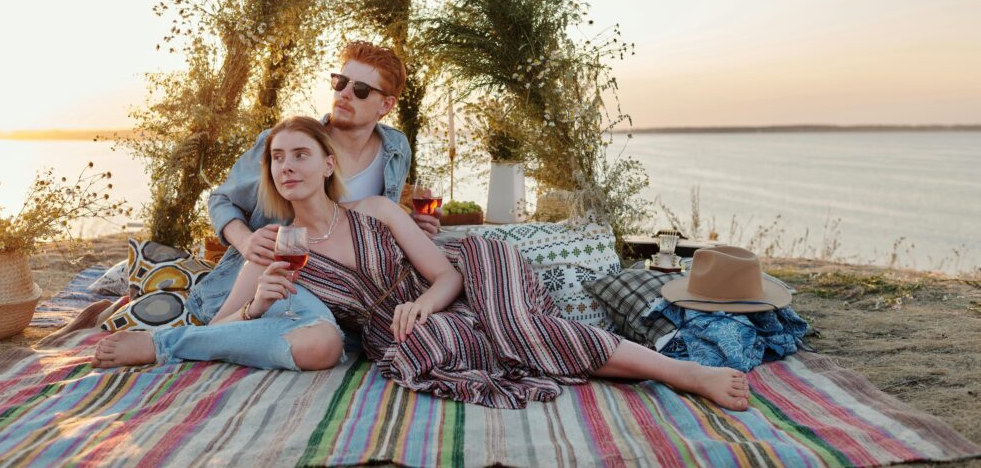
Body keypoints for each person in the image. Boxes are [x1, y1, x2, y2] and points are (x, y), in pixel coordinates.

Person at [95, 117, 750, 412]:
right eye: (276, 158)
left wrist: (424, 301)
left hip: (468, 274)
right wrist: (262, 302)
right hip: (404, 326)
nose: (286, 165)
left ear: (328, 164)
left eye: (300, 153)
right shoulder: (275, 242)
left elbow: (447, 274)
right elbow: (236, 321)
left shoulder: (377, 209)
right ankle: (169, 345)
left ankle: (682, 371)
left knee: (514, 330)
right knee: (426, 347)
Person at [185, 41, 439, 327]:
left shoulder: (395, 149)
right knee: (317, 336)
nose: (343, 94)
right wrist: (246, 241)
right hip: (279, 279)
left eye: (360, 90)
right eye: (340, 82)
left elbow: (372, 230)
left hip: (349, 294)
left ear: (386, 105)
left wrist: (411, 228)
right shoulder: (288, 145)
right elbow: (221, 200)